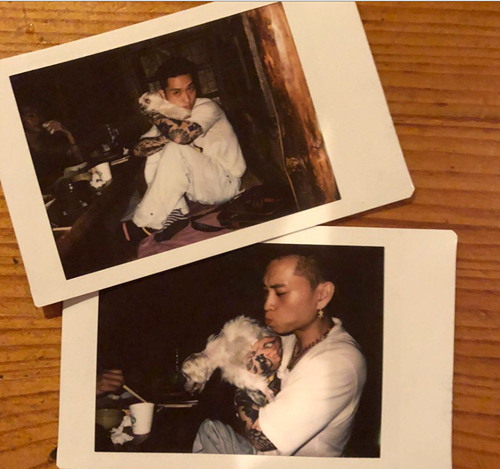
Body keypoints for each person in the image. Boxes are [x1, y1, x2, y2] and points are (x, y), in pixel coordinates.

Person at [193, 254, 367, 457]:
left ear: (322, 295)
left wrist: (248, 375)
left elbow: (262, 439)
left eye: (281, 293)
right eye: (266, 292)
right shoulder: (288, 340)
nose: (267, 304)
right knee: (210, 430)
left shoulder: (336, 362)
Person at [122, 57, 246, 243]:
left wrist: (153, 111)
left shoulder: (207, 107)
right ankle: (176, 210)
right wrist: (163, 134)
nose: (187, 99)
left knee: (174, 145)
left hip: (225, 182)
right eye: (177, 92)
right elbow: (139, 150)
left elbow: (181, 137)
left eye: (190, 89)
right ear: (163, 94)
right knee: (158, 148)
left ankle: (145, 223)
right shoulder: (168, 117)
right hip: (198, 188)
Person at [20, 105, 83, 193]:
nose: (37, 119)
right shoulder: (20, 150)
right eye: (30, 116)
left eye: (38, 114)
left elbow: (79, 160)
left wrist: (68, 134)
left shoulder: (49, 139)